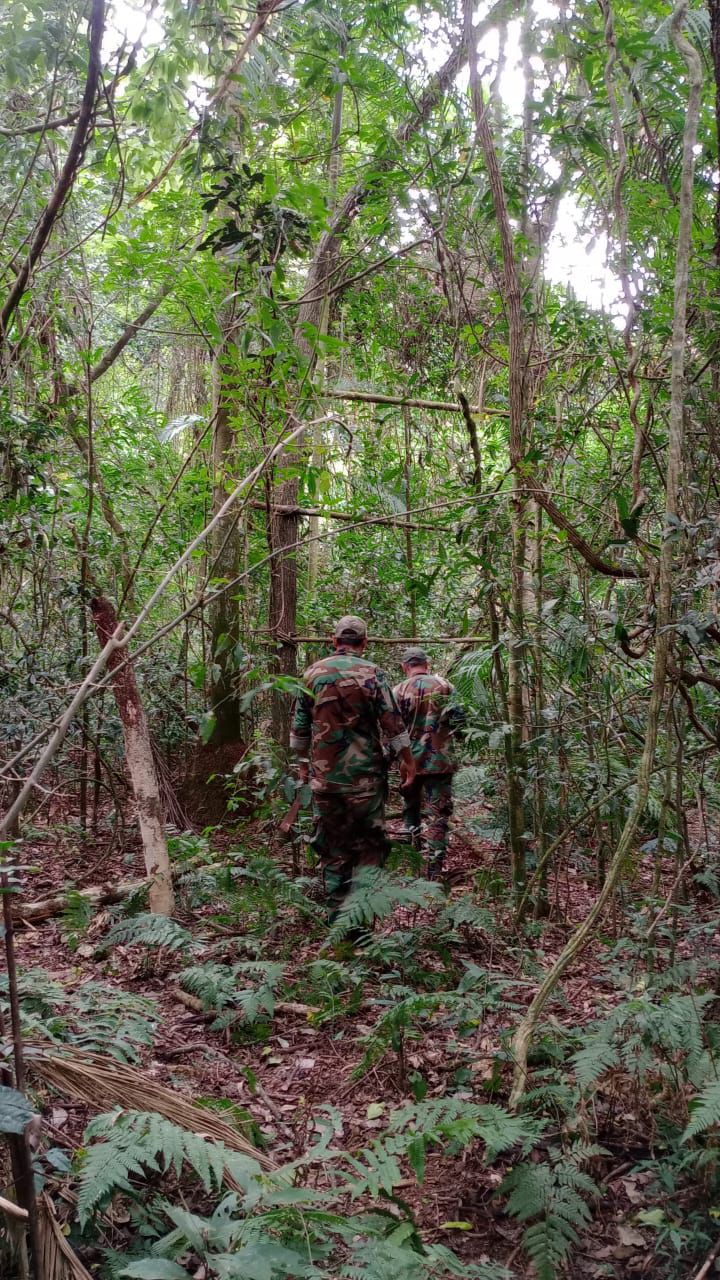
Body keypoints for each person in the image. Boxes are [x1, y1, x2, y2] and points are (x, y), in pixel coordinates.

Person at [290, 616, 416, 917]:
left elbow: (299, 729)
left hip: (326, 781)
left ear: (334, 641)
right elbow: (393, 724)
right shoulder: (373, 673)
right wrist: (408, 762)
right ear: (364, 643)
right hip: (365, 781)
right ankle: (360, 923)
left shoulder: (312, 674)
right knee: (369, 847)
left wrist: (303, 767)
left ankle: (337, 920)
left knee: (333, 848)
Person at [393, 647, 464, 879]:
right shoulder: (445, 686)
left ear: (405, 666)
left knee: (410, 810)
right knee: (438, 814)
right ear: (427, 664)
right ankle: (434, 868)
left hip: (408, 761)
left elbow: (390, 727)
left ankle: (412, 862)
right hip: (439, 761)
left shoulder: (397, 691)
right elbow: (460, 720)